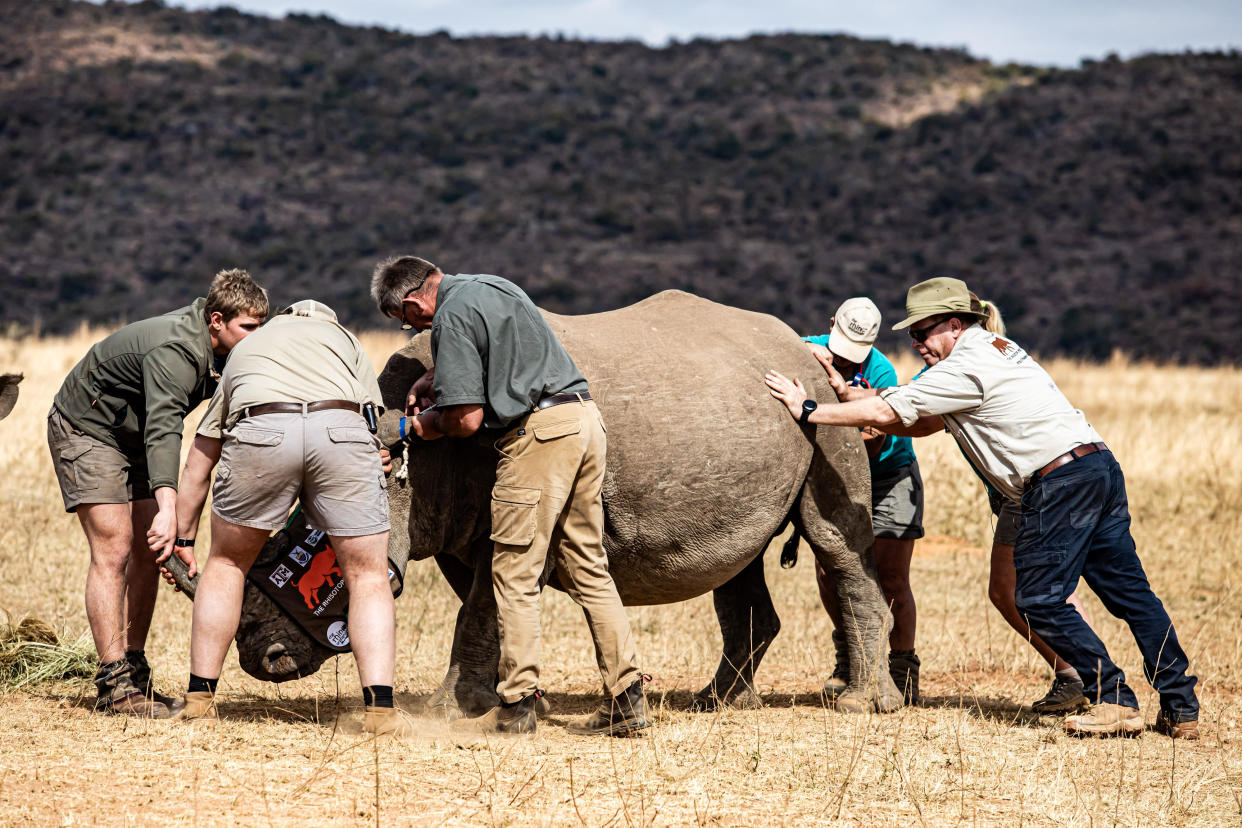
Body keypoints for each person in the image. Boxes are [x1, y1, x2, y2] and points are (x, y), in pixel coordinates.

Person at [765, 276, 1200, 739]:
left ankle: (1112, 696)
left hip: (1057, 483)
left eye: (923, 332)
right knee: (1132, 596)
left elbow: (886, 415)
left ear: (954, 325)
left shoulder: (961, 368)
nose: (916, 344)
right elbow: (923, 420)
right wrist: (845, 391)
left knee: (1036, 597)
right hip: (1095, 466)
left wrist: (808, 408)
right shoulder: (996, 346)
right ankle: (1181, 705)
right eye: (911, 335)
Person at [370, 255, 649, 737]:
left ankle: (516, 707)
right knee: (588, 567)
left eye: (404, 320)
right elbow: (506, 355)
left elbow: (466, 420)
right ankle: (627, 700)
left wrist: (412, 426)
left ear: (413, 301)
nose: (408, 328)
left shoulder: (451, 316)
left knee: (513, 571)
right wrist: (437, 376)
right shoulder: (492, 284)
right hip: (583, 421)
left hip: (539, 437)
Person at [154, 300, 408, 736]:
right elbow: (374, 421)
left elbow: (201, 455)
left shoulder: (250, 346)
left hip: (263, 430)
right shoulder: (347, 340)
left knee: (227, 564)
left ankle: (199, 700)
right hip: (340, 432)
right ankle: (380, 711)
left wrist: (184, 539)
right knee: (368, 576)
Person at [48, 270, 267, 718]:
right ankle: (113, 686)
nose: (256, 336)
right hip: (88, 428)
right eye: (249, 327)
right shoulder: (177, 350)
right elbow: (167, 429)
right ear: (216, 321)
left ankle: (134, 672)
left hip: (136, 435)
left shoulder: (229, 352)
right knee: (115, 546)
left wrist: (178, 532)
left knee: (149, 553)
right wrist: (169, 508)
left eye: (261, 326)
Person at [802, 298, 924, 704]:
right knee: (829, 569)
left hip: (888, 476)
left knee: (890, 579)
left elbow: (874, 444)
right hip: (837, 476)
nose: (846, 359)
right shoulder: (809, 346)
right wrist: (808, 350)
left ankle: (902, 667)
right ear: (831, 324)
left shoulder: (880, 370)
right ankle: (850, 659)